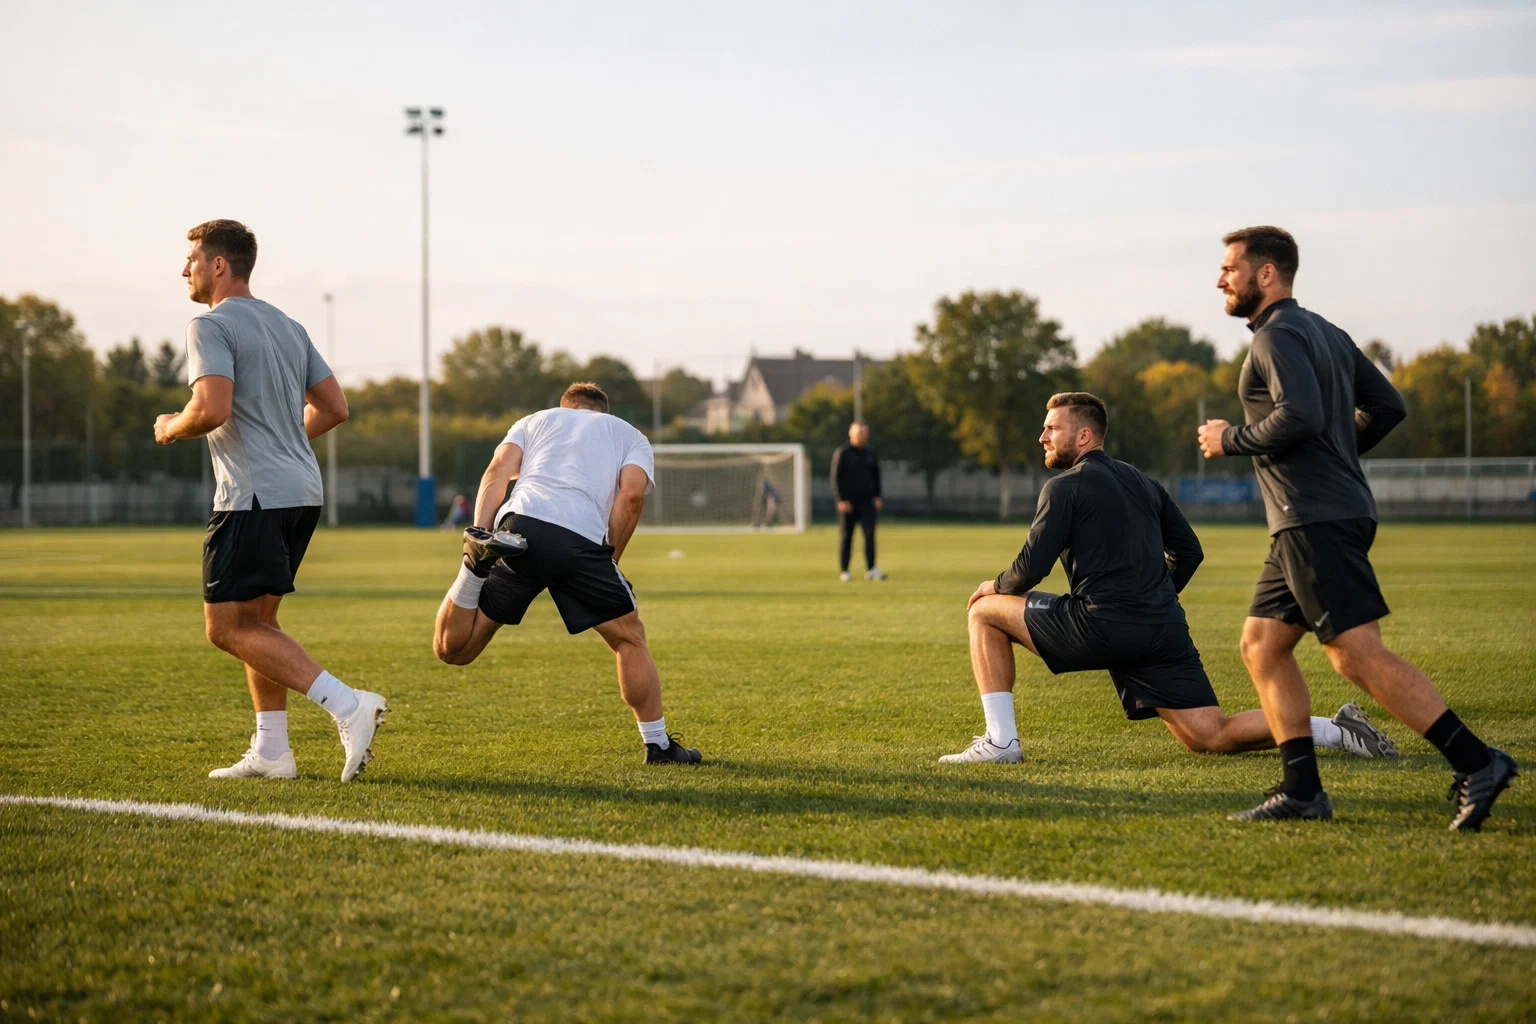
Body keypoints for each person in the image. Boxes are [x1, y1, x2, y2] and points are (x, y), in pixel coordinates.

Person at [1199, 225, 1517, 827]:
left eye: (1229, 268)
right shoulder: (1325, 331)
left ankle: (1477, 761)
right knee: (1262, 647)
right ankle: (1302, 791)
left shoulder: (1273, 338)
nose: (1220, 278)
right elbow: (1387, 407)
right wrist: (1339, 451)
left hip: (1313, 516)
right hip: (1319, 514)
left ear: (1266, 274)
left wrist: (1230, 438)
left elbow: (1300, 415)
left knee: (1355, 654)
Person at [942, 392, 1396, 765]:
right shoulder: (1143, 482)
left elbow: (1030, 568)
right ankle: (1335, 731)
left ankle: (1001, 742)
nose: (1042, 435)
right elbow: (1190, 552)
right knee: (1209, 735)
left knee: (984, 614)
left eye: (1052, 428)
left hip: (1102, 624)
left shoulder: (1063, 487)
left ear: (1083, 435)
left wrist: (995, 586)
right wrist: (1151, 598)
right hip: (1161, 627)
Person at [155, 219, 387, 782]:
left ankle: (349, 705)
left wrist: (169, 427)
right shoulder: (289, 325)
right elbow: (334, 408)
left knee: (226, 628)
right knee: (260, 622)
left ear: (217, 265)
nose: (182, 269)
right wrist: (282, 439)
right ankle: (273, 751)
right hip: (302, 491)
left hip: (253, 495)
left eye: (191, 259)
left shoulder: (208, 325)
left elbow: (210, 410)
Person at [432, 382, 703, 764]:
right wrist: (611, 559)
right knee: (629, 638)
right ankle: (658, 746)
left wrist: (481, 529)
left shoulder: (534, 421)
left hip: (517, 529)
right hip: (578, 540)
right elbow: (631, 496)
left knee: (455, 651)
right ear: (602, 412)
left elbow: (497, 471)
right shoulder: (628, 434)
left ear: (568, 407)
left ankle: (473, 566)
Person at [831, 421, 885, 581]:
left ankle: (871, 569)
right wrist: (841, 499)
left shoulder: (870, 453)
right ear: (851, 434)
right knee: (847, 536)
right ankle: (845, 570)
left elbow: (877, 476)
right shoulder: (843, 453)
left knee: (869, 535)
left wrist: (878, 496)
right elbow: (836, 477)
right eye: (859, 432)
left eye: (864, 432)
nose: (862, 435)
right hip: (849, 503)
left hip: (867, 502)